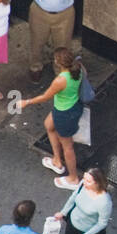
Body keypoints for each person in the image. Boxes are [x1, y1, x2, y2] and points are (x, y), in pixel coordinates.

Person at [21, 48, 85, 190]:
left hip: (64, 113)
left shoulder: (60, 80)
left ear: (58, 62)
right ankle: (57, 161)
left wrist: (27, 102)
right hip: (71, 107)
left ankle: (73, 179)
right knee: (49, 125)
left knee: (68, 147)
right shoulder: (78, 68)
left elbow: (45, 97)